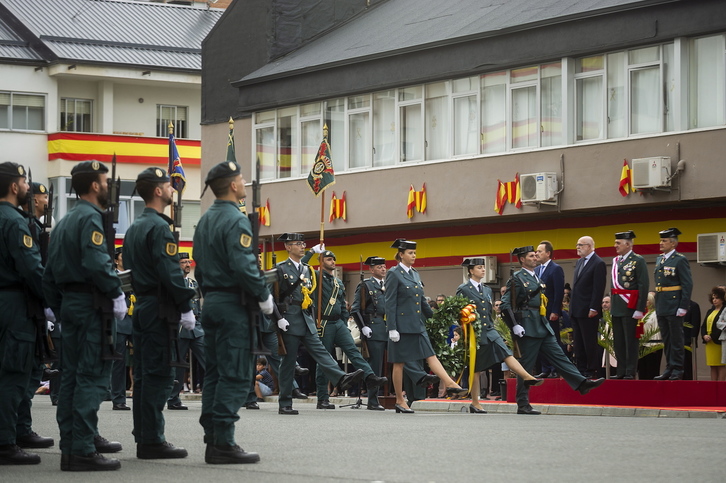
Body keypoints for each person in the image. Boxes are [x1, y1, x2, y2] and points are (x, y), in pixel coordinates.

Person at [43, 160, 126, 471]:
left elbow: (48, 273)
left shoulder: (65, 221)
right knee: (91, 378)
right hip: (92, 307)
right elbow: (96, 262)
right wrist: (116, 292)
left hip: (72, 306)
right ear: (95, 186)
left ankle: (72, 445)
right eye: (105, 181)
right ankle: (82, 450)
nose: (108, 186)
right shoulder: (91, 219)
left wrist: (56, 306)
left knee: (72, 380)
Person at [193, 161, 273, 464]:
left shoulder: (204, 220)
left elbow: (200, 267)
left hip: (211, 302)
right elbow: (244, 266)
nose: (243, 182)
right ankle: (223, 443)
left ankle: (213, 434)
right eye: (240, 178)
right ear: (232, 185)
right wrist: (263, 295)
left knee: (214, 372)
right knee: (237, 375)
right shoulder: (236, 221)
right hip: (232, 305)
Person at [123, 167, 195, 460]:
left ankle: (144, 435)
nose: (171, 188)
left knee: (143, 375)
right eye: (167, 184)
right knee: (157, 374)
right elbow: (169, 272)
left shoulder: (134, 227)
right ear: (157, 191)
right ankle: (152, 439)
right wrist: (186, 305)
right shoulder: (159, 228)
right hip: (159, 307)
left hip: (142, 305)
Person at [501, 246, 605, 415]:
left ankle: (581, 383)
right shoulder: (517, 279)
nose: (535, 258)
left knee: (559, 356)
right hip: (527, 327)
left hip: (542, 324)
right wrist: (515, 325)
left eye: (536, 255)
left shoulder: (536, 276)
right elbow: (505, 305)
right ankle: (523, 403)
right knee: (525, 368)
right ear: (522, 260)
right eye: (531, 256)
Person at [272, 233, 365, 415]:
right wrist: (278, 319)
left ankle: (341, 378)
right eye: (298, 244)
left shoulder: (307, 270)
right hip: (288, 319)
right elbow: (269, 297)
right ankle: (285, 403)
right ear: (288, 247)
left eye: (303, 243)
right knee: (289, 362)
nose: (302, 246)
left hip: (306, 319)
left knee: (321, 352)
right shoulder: (280, 269)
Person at [0, 163, 49, 465]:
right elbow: (32, 269)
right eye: (24, 182)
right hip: (14, 304)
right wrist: (54, 299)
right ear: (14, 186)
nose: (28, 187)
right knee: (14, 375)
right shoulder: (15, 222)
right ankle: (5, 443)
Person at [385, 239, 467, 414]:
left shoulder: (415, 274)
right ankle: (400, 400)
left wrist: (439, 319)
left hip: (417, 324)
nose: (414, 256)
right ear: (401, 254)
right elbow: (390, 302)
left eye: (414, 253)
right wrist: (392, 327)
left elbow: (422, 302)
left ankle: (450, 384)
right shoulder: (393, 273)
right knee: (398, 364)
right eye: (410, 253)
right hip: (401, 326)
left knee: (430, 355)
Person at [456, 258, 542, 414]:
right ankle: (475, 402)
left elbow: (489, 312)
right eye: (479, 267)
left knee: (506, 352)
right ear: (471, 270)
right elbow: (458, 312)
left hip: (489, 329)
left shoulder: (487, 290)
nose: (483, 270)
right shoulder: (464, 289)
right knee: (477, 368)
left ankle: (527, 376)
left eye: (483, 267)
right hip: (474, 332)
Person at [305, 249, 387, 409]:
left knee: (354, 353)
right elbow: (301, 266)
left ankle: (371, 377)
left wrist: (343, 322)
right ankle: (322, 398)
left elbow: (342, 305)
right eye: (328, 259)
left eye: (333, 259)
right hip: (324, 323)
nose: (332, 262)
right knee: (325, 360)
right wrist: (312, 252)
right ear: (321, 261)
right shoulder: (315, 277)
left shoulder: (338, 283)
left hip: (338, 324)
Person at [653, 228, 693, 381]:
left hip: (675, 304)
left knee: (676, 339)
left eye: (664, 241)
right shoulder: (660, 259)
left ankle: (678, 368)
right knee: (667, 339)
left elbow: (687, 284)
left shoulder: (679, 259)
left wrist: (683, 305)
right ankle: (669, 367)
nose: (661, 243)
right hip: (662, 304)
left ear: (673, 243)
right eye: (661, 240)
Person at [351, 256, 390, 411]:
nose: (383, 269)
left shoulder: (387, 285)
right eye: (379, 267)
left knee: (390, 365)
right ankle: (373, 400)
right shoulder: (365, 285)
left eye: (384, 266)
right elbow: (355, 309)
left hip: (387, 327)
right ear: (371, 269)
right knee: (375, 366)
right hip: (373, 327)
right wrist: (363, 327)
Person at [167, 252, 206, 410]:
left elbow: (198, 306)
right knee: (178, 364)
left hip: (196, 328)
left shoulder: (192, 284)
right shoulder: (173, 283)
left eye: (188, 262)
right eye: (183, 262)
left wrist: (201, 324)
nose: (187, 265)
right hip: (180, 328)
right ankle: (173, 399)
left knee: (208, 359)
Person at [609, 231, 649, 379]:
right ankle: (621, 370)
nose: (615, 246)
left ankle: (630, 371)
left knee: (630, 342)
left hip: (630, 307)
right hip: (617, 307)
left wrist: (639, 309)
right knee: (618, 341)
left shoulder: (638, 260)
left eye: (618, 243)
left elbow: (643, 285)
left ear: (628, 244)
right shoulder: (616, 261)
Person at [570, 236, 607, 378]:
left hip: (588, 310)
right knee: (578, 343)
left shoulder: (598, 263)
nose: (577, 247)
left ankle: (591, 370)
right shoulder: (579, 262)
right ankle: (581, 369)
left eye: (580, 245)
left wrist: (594, 308)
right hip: (577, 309)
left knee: (588, 342)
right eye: (577, 244)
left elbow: (598, 288)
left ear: (590, 246)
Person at [534, 240, 565, 378]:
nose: (537, 254)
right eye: (536, 251)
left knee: (552, 340)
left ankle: (555, 368)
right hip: (537, 313)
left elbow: (559, 292)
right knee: (540, 340)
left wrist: (555, 311)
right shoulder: (535, 270)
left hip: (550, 311)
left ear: (548, 253)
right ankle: (545, 368)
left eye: (540, 251)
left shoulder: (555, 269)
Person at [111, 247, 133, 411]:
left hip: (136, 320)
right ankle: (118, 398)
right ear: (116, 260)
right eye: (122, 256)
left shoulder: (135, 274)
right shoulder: (113, 275)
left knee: (143, 359)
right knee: (118, 362)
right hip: (120, 320)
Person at [700, 287, 725, 381]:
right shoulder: (710, 311)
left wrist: (712, 336)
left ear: (722, 299)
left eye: (717, 298)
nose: (714, 300)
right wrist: (704, 335)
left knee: (721, 365)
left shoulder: (724, 310)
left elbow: (721, 327)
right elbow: (703, 326)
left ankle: (721, 385)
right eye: (713, 298)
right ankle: (713, 386)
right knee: (712, 365)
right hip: (709, 342)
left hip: (719, 341)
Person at [637, 292, 662, 380]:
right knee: (642, 370)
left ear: (651, 301)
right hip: (642, 345)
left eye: (647, 300)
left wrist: (654, 346)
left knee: (651, 370)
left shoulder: (655, 314)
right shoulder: (643, 314)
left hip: (652, 346)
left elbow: (656, 330)